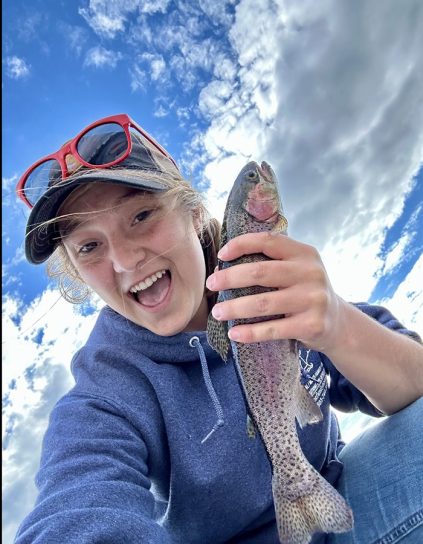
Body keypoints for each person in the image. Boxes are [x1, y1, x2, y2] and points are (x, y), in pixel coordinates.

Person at [14, 113, 423, 544]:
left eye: (141, 215)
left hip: (348, 498)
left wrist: (339, 328)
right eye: (90, 246)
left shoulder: (273, 286)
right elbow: (76, 504)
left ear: (193, 213)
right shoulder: (105, 390)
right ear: (78, 274)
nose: (125, 261)